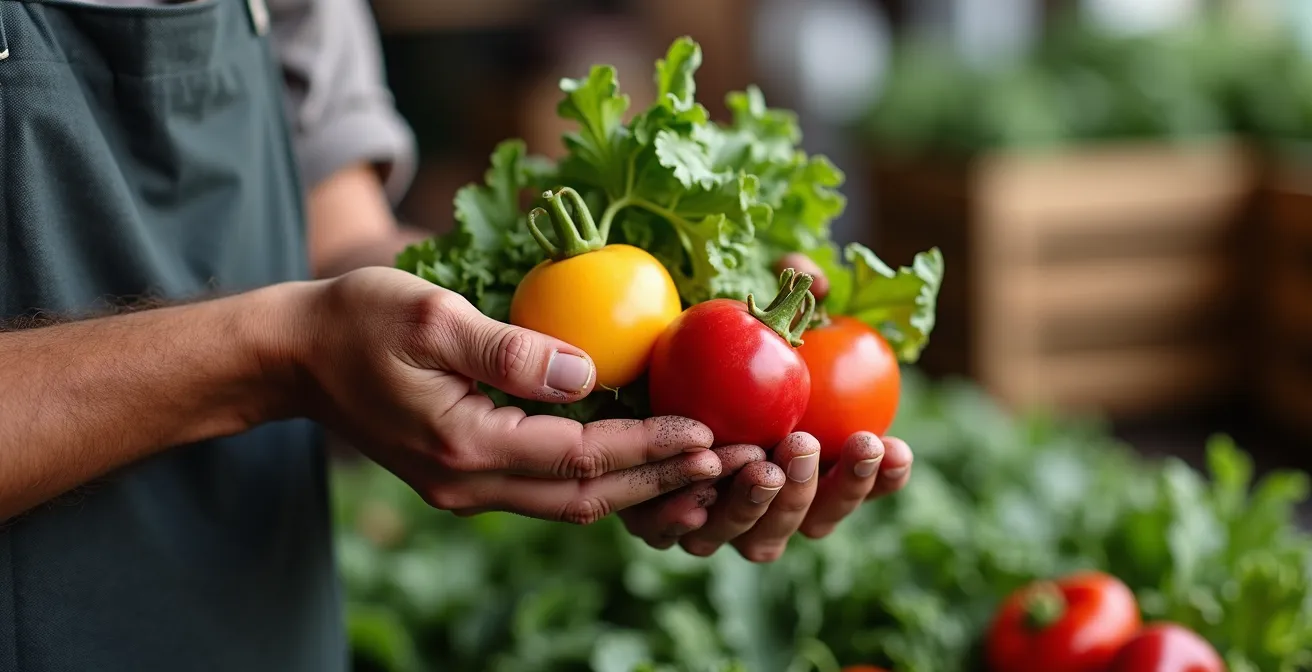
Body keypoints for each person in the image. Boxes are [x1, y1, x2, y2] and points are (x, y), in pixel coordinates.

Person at [0, 0, 915, 669]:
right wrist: (284, 352)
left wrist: (490, 336)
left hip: (261, 617)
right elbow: (310, 324)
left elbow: (340, 233)